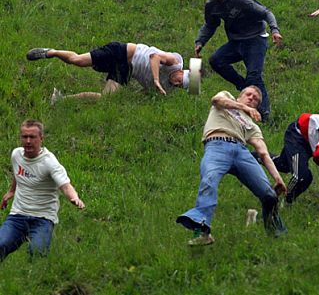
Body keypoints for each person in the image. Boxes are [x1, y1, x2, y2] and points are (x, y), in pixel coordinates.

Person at [176, 86, 287, 246]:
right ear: (240, 96)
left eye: (255, 99)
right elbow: (216, 100)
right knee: (209, 180)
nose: (251, 98)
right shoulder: (226, 97)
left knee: (269, 195)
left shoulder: (252, 125)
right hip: (216, 146)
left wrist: (277, 178)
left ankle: (277, 235)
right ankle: (202, 233)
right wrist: (243, 107)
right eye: (249, 94)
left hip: (242, 152)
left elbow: (263, 152)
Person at [194, 0, 283, 122]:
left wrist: (275, 29)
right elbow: (210, 24)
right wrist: (200, 41)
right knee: (216, 60)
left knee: (254, 76)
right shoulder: (212, 5)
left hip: (255, 39)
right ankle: (244, 87)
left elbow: (266, 12)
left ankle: (264, 116)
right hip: (236, 41)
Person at [0, 120, 85, 261]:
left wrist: (74, 197)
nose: (27, 141)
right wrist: (11, 191)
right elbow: (18, 174)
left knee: (37, 253)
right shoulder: (16, 155)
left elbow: (65, 185)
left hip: (43, 218)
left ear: (41, 139)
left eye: (32, 137)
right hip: (18, 215)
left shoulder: (49, 163)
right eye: (24, 137)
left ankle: (35, 281)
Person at [26, 42, 188, 104]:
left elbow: (145, 93)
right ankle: (51, 52)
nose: (177, 83)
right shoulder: (175, 61)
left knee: (106, 99)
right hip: (122, 52)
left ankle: (60, 100)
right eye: (180, 80)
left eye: (180, 86)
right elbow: (154, 57)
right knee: (78, 61)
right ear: (182, 72)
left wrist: (138, 97)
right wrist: (156, 80)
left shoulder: (167, 89)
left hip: (126, 70)